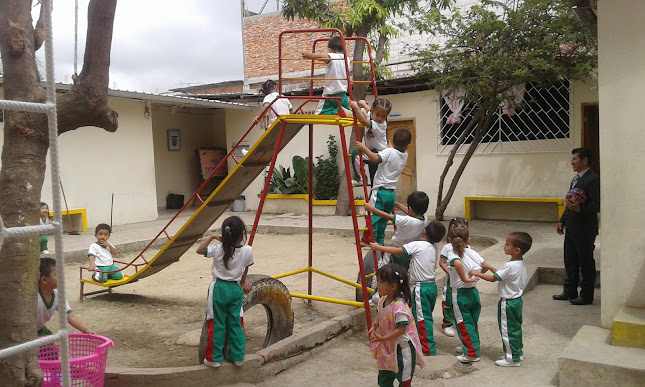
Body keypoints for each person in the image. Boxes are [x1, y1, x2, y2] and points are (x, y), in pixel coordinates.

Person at [371, 221, 446, 356]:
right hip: (431, 286)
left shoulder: (418, 245)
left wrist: (379, 247)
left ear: (424, 232)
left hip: (421, 287)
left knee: (422, 319)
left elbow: (398, 250)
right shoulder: (434, 247)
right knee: (424, 316)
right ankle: (422, 343)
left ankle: (427, 348)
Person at [196, 216, 253, 368]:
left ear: (224, 234)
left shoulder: (217, 249)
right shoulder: (248, 250)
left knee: (216, 323)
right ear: (242, 234)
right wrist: (242, 282)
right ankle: (238, 356)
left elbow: (199, 250)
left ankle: (214, 359)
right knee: (236, 322)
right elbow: (246, 268)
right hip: (235, 289)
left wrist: (212, 237)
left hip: (219, 289)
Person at [470, 232, 532, 367]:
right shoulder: (518, 264)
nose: (504, 246)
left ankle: (511, 359)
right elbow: (502, 275)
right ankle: (517, 353)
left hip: (507, 303)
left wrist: (476, 273)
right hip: (517, 301)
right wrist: (491, 267)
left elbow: (494, 279)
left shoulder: (510, 266)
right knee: (515, 328)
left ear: (517, 250)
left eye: (507, 244)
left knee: (507, 329)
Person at [554, 147, 600, 305]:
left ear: (585, 160)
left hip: (585, 228)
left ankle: (586, 295)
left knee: (585, 261)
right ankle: (570, 291)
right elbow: (569, 204)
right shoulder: (575, 179)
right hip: (572, 227)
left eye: (574, 159)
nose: (571, 162)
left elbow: (596, 206)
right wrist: (562, 220)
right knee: (570, 259)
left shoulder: (593, 179)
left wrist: (579, 209)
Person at [369, 263, 425, 386]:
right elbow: (381, 315)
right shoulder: (383, 300)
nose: (377, 284)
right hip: (388, 347)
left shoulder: (399, 308)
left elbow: (401, 329)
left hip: (402, 349)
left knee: (403, 380)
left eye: (381, 282)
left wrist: (382, 338)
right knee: (384, 378)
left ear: (393, 286)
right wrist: (375, 325)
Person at [357, 128, 412, 246]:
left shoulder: (388, 152)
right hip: (391, 194)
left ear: (393, 140)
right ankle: (380, 241)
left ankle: (369, 239)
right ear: (407, 146)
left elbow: (375, 158)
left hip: (380, 191)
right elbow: (392, 149)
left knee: (372, 216)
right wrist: (386, 139)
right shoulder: (404, 155)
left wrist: (363, 148)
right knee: (383, 219)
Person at [447, 222, 489, 363]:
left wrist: (464, 278)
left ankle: (471, 353)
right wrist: (476, 276)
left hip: (459, 294)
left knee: (463, 323)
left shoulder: (452, 253)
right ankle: (471, 346)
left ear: (449, 240)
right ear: (468, 240)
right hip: (473, 293)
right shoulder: (474, 253)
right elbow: (485, 266)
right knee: (472, 322)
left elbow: (457, 263)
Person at [364, 191, 429, 271]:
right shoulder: (425, 219)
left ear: (410, 209)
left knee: (387, 270)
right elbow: (411, 212)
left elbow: (387, 216)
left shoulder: (407, 220)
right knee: (401, 272)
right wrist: (398, 205)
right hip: (408, 253)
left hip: (395, 251)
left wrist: (372, 209)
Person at [38, 257, 93, 336]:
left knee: (52, 346)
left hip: (40, 331)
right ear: (44, 280)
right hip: (27, 333)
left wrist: (86, 330)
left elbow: (70, 317)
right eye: (57, 274)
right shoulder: (34, 298)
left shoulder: (58, 297)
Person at [301, 35, 350, 115]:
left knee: (318, 113)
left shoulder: (332, 56)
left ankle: (339, 112)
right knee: (344, 110)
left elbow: (326, 57)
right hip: (343, 95)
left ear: (330, 49)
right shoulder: (346, 58)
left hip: (330, 94)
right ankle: (350, 111)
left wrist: (311, 55)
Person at [349, 98, 392, 186]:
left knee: (356, 155)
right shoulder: (370, 115)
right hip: (373, 152)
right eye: (378, 115)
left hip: (380, 153)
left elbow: (363, 121)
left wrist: (356, 108)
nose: (380, 118)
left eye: (383, 116)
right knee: (374, 180)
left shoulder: (381, 125)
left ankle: (360, 178)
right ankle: (363, 180)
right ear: (373, 111)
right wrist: (363, 104)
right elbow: (369, 110)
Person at [438, 217, 469, 338]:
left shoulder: (467, 247)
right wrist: (450, 273)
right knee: (448, 300)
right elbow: (441, 262)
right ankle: (447, 323)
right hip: (451, 279)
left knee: (460, 300)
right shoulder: (448, 247)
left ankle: (458, 320)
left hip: (462, 280)